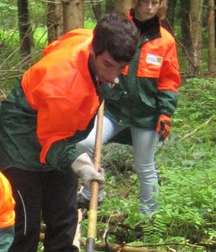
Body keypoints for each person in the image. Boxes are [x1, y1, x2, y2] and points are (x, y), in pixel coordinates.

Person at [0, 13, 139, 252]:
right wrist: (81, 164)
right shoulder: (64, 87)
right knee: (26, 221)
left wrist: (100, 79)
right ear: (96, 51)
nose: (113, 75)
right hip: (22, 135)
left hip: (58, 125)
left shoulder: (87, 38)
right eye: (108, 65)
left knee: (63, 214)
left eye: (120, 67)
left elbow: (52, 48)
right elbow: (52, 147)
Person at [77, 0, 181, 215]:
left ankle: (149, 217)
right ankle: (93, 193)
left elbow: (169, 80)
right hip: (114, 108)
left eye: (156, 3)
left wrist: (165, 113)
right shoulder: (120, 29)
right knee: (84, 143)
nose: (150, 8)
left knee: (145, 167)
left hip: (146, 114)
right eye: (146, 2)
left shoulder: (165, 40)